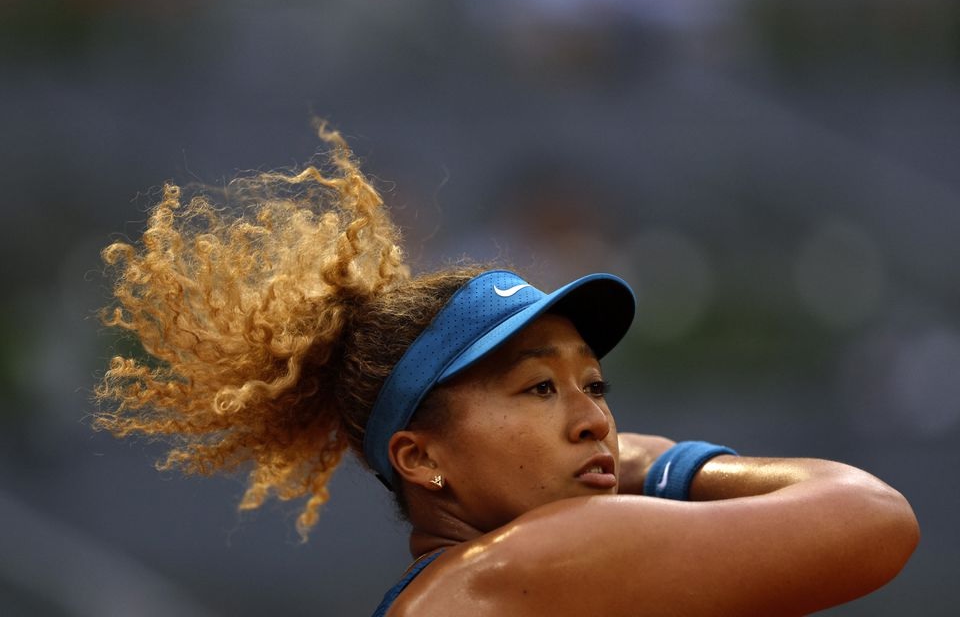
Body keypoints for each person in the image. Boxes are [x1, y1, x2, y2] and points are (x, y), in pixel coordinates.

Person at [95, 126, 919, 616]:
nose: (594, 416)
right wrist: (652, 463)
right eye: (538, 388)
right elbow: (874, 517)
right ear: (421, 457)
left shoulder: (469, 582)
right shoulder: (542, 558)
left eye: (594, 385)